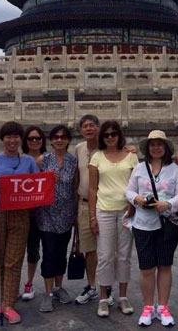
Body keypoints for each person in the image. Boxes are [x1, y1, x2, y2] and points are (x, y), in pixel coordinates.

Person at [0, 121, 39, 325]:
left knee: (13, 260)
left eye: (16, 136)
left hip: (19, 214)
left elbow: (38, 186)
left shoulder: (29, 161)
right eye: (8, 137)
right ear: (2, 139)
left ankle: (9, 304)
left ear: (21, 139)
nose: (12, 141)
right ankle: (3, 300)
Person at [126, 130, 178, 327]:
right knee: (146, 267)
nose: (156, 147)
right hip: (143, 223)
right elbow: (129, 190)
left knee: (164, 265)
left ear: (166, 147)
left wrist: (167, 204)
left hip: (167, 222)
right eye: (152, 144)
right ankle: (147, 307)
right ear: (147, 148)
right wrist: (138, 199)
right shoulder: (139, 168)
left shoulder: (176, 170)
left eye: (160, 144)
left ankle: (163, 306)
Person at [88, 120, 139, 318]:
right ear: (102, 138)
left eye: (113, 134)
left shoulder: (132, 156)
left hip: (126, 210)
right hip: (104, 210)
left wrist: (133, 204)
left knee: (124, 255)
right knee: (105, 255)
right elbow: (93, 188)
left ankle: (123, 296)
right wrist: (92, 216)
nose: (110, 137)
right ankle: (103, 298)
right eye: (106, 134)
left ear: (119, 135)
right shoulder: (97, 157)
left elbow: (137, 183)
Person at [36, 124, 78, 313]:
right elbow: (32, 182)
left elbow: (75, 188)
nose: (59, 140)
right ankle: (47, 292)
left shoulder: (73, 161)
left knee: (62, 252)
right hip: (46, 214)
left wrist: (76, 213)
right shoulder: (42, 160)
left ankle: (59, 287)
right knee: (49, 252)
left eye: (63, 137)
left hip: (66, 213)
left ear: (68, 140)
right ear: (51, 140)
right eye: (56, 137)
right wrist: (45, 176)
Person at [73, 114, 101, 304]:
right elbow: (76, 176)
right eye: (85, 126)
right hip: (83, 204)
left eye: (92, 125)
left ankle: (108, 286)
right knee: (88, 249)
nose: (89, 129)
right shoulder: (78, 148)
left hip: (105, 205)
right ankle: (92, 286)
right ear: (81, 130)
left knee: (108, 249)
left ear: (98, 127)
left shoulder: (109, 145)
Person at [20, 125, 46, 301]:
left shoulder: (49, 159)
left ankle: (33, 282)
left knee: (38, 250)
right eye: (30, 138)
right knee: (19, 250)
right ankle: (19, 283)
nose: (34, 141)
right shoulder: (19, 160)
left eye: (37, 138)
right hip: (23, 213)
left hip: (45, 212)